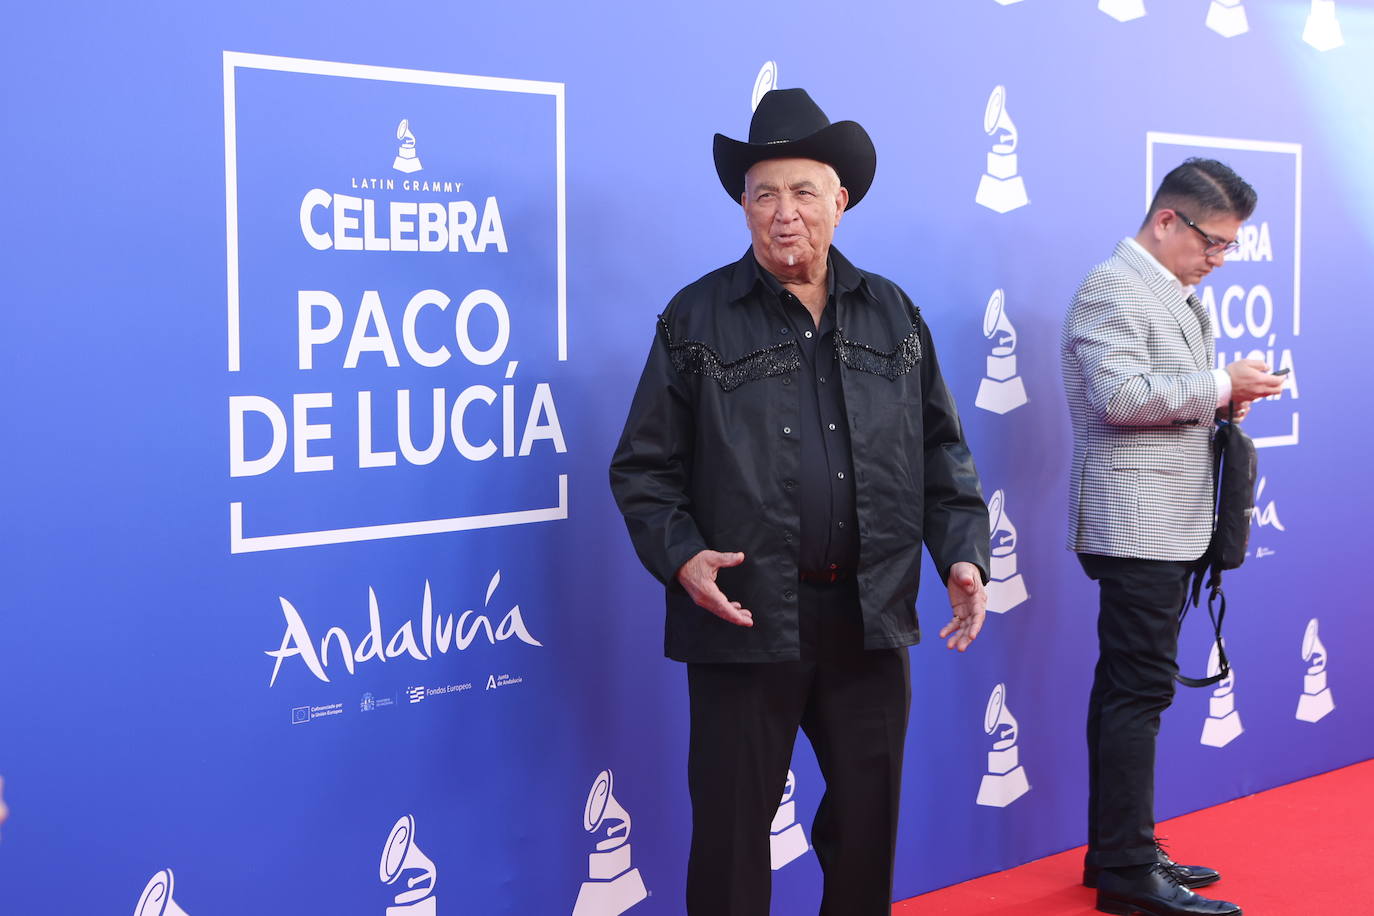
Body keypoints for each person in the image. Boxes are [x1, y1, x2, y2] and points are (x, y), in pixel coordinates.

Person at [609, 88, 991, 916]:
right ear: (743, 206)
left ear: (841, 200)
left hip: (869, 617)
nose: (785, 214)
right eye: (763, 194)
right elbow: (643, 469)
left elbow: (941, 454)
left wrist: (962, 551)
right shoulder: (694, 317)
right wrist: (680, 556)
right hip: (745, 620)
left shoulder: (895, 315)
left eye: (804, 192)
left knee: (866, 830)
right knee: (732, 839)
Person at [1061, 158, 1286, 916]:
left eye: (1228, 248)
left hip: (1169, 520)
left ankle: (1116, 850)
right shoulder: (1111, 288)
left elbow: (1165, 398)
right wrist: (1221, 386)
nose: (1220, 260)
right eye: (1214, 243)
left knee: (1125, 690)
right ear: (1167, 221)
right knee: (1139, 693)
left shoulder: (1176, 294)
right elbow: (1119, 397)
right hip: (1135, 524)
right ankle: (1127, 872)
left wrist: (1220, 408)